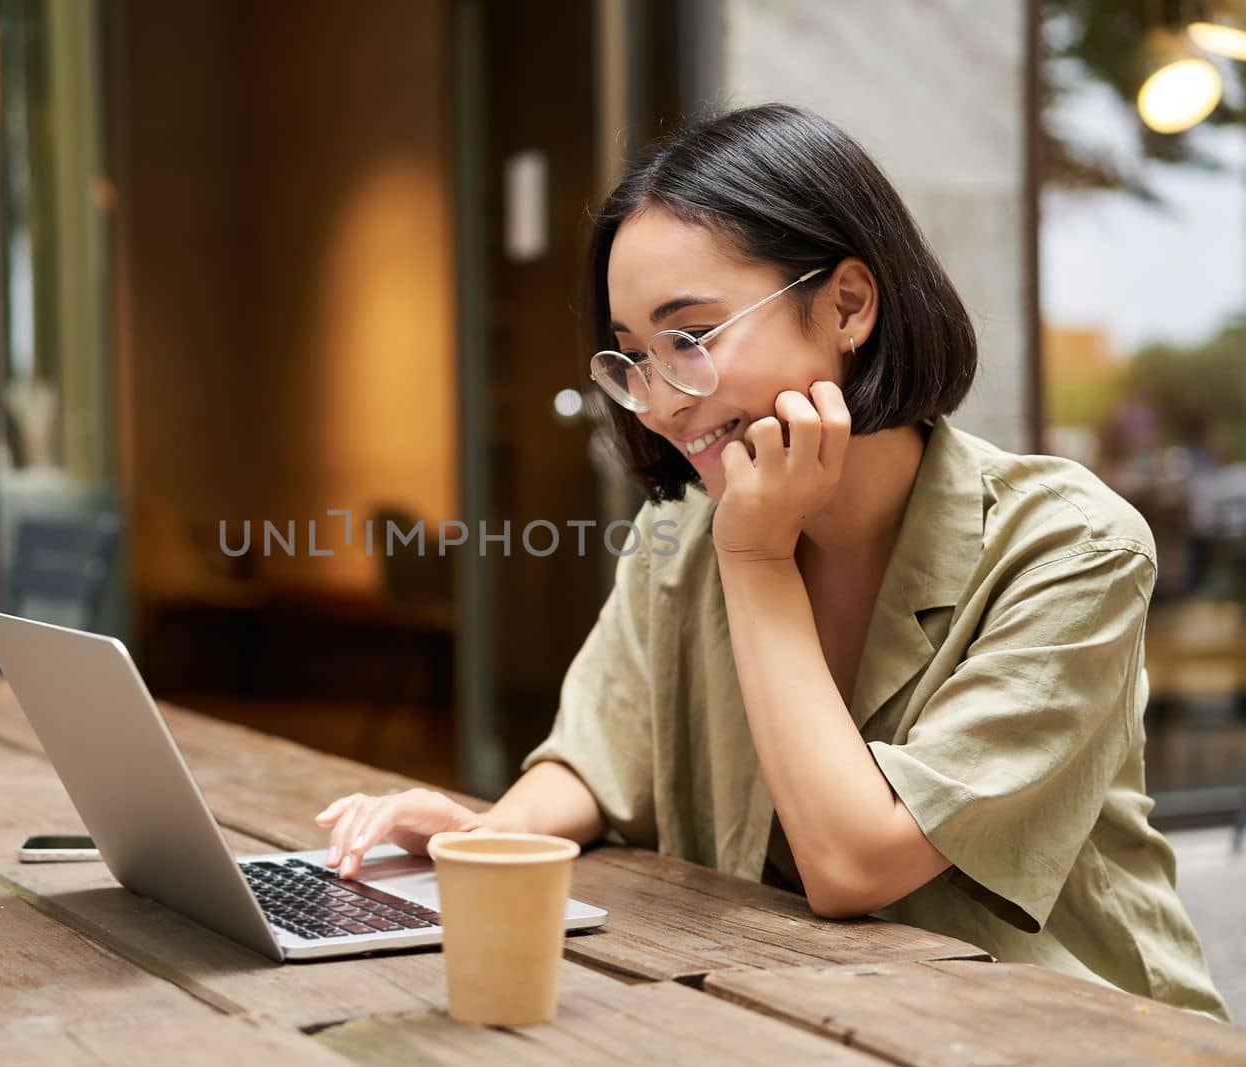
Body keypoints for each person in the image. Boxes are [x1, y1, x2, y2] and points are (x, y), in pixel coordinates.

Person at [314, 104, 1230, 1020]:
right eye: (632, 356)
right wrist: (487, 835)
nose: (659, 402)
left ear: (847, 305)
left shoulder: (1071, 546)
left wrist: (756, 560)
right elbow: (599, 759)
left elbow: (853, 863)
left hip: (1067, 1033)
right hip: (789, 1019)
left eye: (692, 338)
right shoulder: (678, 541)